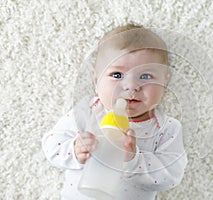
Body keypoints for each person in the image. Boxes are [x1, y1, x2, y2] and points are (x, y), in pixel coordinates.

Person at [42, 24, 188, 200]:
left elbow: (172, 174)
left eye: (146, 76)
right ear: (96, 80)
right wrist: (74, 149)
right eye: (117, 75)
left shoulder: (166, 128)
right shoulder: (88, 111)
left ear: (164, 82)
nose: (131, 86)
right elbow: (51, 145)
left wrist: (133, 160)